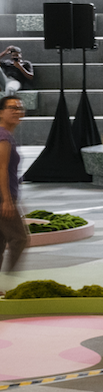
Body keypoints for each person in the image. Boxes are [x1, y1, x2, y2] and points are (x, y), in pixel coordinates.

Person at [0, 94, 24, 273]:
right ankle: (9, 278)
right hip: (2, 196)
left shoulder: (6, 135)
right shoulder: (3, 137)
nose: (17, 111)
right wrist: (7, 200)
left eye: (19, 108)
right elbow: (1, 169)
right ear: (1, 112)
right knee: (19, 238)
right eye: (12, 108)